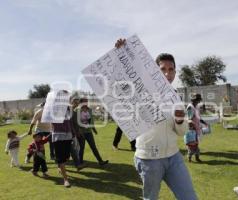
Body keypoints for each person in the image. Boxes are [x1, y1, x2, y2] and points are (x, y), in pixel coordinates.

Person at [115, 39, 197, 200]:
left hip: (173, 157)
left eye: (171, 69)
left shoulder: (176, 97)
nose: (167, 74)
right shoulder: (139, 91)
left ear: (175, 72)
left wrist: (180, 121)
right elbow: (122, 79)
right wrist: (121, 53)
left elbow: (181, 132)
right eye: (162, 69)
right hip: (149, 160)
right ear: (154, 70)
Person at [75, 97, 108, 166]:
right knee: (81, 148)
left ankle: (100, 161)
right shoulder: (76, 110)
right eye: (85, 101)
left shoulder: (89, 109)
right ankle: (80, 163)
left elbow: (91, 121)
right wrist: (78, 131)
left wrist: (94, 129)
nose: (86, 102)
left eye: (87, 101)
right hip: (81, 133)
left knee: (93, 147)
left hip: (89, 132)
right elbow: (75, 122)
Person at [51, 90, 73, 187]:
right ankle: (65, 179)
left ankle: (60, 167)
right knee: (61, 159)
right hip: (58, 135)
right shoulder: (53, 107)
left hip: (68, 135)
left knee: (67, 156)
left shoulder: (68, 107)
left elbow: (69, 120)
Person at [185, 93, 206, 162]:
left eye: (199, 100)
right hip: (192, 129)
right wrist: (192, 128)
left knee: (196, 143)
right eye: (197, 100)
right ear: (194, 100)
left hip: (196, 128)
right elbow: (189, 118)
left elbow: (198, 117)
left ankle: (197, 157)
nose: (198, 102)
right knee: (191, 144)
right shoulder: (190, 107)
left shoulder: (196, 106)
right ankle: (190, 158)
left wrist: (203, 122)